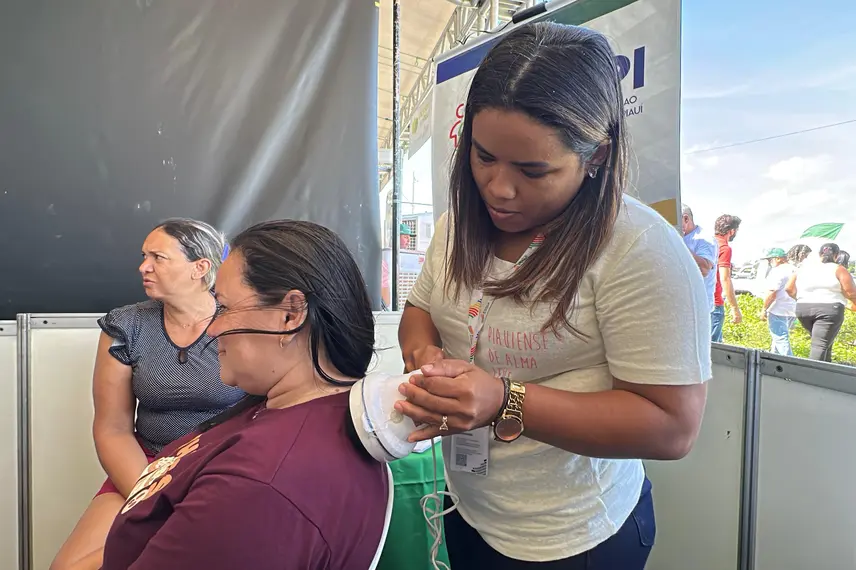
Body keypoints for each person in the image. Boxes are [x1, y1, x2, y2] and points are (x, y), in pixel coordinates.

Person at [395, 23, 710, 570]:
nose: (499, 188)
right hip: (469, 508)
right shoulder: (456, 226)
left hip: (573, 536)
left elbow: (672, 427)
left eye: (533, 170)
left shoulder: (638, 248)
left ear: (596, 156)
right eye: (483, 156)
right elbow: (420, 311)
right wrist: (424, 358)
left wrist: (504, 401)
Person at [98, 221, 388, 569]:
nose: (213, 328)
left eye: (224, 307)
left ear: (290, 315)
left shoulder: (259, 484)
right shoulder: (283, 410)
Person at [51, 218, 245, 570]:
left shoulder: (241, 323)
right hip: (147, 467)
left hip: (223, 469)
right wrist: (152, 497)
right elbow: (113, 428)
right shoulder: (127, 325)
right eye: (144, 256)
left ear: (200, 268)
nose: (144, 267)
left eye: (158, 257)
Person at [786, 243, 856, 361]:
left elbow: (789, 288)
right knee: (820, 345)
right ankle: (811, 372)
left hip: (803, 309)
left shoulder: (804, 269)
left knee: (824, 342)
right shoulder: (838, 269)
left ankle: (826, 370)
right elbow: (851, 293)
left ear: (819, 254)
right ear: (836, 255)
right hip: (829, 309)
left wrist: (801, 298)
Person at [681, 204, 718, 313]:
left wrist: (677, 242)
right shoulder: (683, 237)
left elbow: (703, 269)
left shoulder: (704, 238)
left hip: (698, 310)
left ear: (686, 219)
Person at [759, 248, 795, 355]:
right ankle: (774, 360)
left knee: (780, 338)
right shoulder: (794, 269)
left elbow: (772, 292)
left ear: (778, 259)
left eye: (770, 259)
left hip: (778, 309)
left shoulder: (778, 271)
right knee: (777, 340)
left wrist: (764, 309)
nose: (770, 262)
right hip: (792, 308)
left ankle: (789, 362)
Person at [712, 214, 742, 342]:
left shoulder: (707, 243)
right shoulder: (724, 248)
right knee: (713, 347)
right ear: (732, 231)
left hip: (701, 301)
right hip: (715, 303)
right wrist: (735, 308)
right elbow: (725, 278)